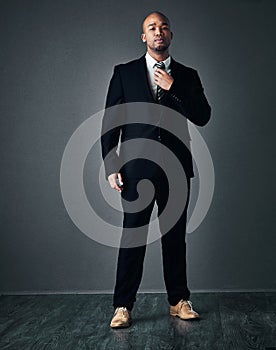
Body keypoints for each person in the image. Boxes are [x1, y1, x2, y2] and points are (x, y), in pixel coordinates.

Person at [101, 11, 211, 328]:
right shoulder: (124, 73)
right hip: (136, 169)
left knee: (174, 237)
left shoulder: (188, 75)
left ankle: (179, 301)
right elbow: (111, 121)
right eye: (152, 28)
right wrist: (111, 165)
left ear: (170, 35)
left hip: (177, 169)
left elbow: (203, 116)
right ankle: (122, 306)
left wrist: (175, 87)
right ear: (144, 37)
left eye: (163, 27)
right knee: (132, 238)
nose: (158, 31)